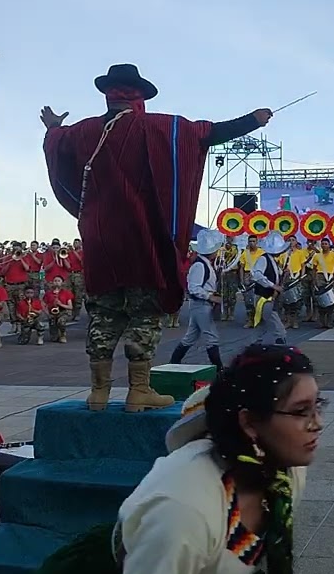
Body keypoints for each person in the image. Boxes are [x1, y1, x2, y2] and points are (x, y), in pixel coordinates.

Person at [42, 64, 271, 413]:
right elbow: (208, 133)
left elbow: (56, 147)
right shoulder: (159, 128)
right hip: (141, 238)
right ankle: (138, 391)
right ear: (139, 95)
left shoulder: (81, 132)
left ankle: (98, 392)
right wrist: (253, 120)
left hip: (100, 239)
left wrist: (54, 127)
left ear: (108, 92)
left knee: (104, 314)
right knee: (143, 312)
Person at [28, 345, 320, 574]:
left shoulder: (284, 467)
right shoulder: (182, 510)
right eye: (300, 411)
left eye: (318, 406)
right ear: (250, 422)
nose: (316, 424)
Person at [171, 230, 226, 371]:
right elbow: (194, 287)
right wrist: (210, 296)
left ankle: (173, 362)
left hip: (201, 304)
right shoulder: (200, 265)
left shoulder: (204, 263)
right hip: (201, 304)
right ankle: (218, 368)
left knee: (190, 337)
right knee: (211, 336)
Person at [247, 232, 289, 350]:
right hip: (263, 298)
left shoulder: (272, 260)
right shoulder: (263, 259)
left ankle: (254, 345)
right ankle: (281, 346)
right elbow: (257, 275)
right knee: (277, 326)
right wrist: (273, 286)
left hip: (267, 297)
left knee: (261, 324)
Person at [44, 275, 75, 343]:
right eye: (55, 281)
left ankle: (62, 334)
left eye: (58, 281)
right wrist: (47, 314)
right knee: (54, 339)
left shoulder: (66, 293)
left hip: (63, 312)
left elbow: (70, 307)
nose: (57, 282)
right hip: (52, 312)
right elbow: (44, 305)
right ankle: (55, 334)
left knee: (61, 321)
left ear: (62, 283)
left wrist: (60, 304)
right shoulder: (48, 293)